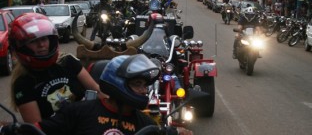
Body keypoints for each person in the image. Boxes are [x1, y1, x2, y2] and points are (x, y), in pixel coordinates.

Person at [1, 54, 192, 135]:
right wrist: (14, 130)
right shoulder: (77, 111)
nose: (144, 91)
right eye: (137, 84)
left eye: (145, 85)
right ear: (118, 83)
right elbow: (37, 129)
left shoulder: (147, 124)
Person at [8, 13, 106, 124]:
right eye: (33, 41)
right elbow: (36, 127)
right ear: (22, 46)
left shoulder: (67, 61)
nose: (41, 45)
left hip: (90, 124)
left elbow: (97, 91)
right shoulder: (23, 83)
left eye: (44, 39)